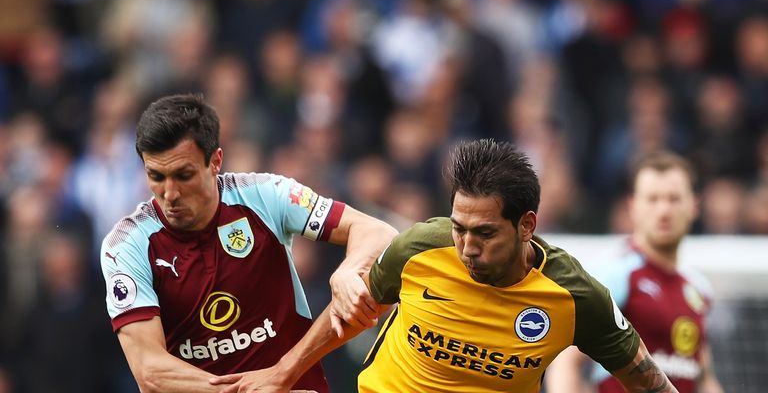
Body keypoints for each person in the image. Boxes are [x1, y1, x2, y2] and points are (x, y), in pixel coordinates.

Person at [209, 139, 679, 392]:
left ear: (526, 225)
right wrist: (281, 373)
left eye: (485, 233)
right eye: (459, 228)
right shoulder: (421, 248)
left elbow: (648, 382)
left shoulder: (574, 296)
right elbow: (351, 316)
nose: (467, 247)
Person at [100, 93, 397, 393]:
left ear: (215, 161)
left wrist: (347, 271)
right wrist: (257, 389)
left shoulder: (265, 196)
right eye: (156, 176)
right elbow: (150, 371)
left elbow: (380, 233)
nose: (169, 193)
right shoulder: (127, 245)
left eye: (183, 175)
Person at [546, 151, 724, 393]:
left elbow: (702, 375)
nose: (663, 210)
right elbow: (567, 361)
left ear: (694, 206)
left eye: (673, 199)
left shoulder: (698, 287)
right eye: (653, 199)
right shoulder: (614, 275)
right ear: (633, 206)